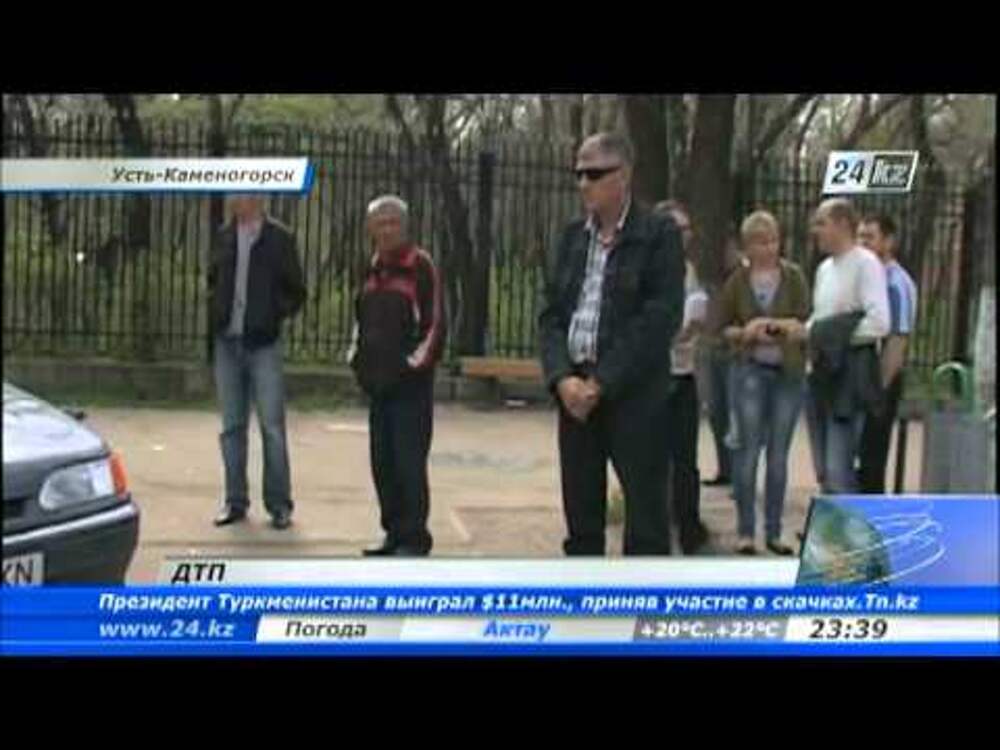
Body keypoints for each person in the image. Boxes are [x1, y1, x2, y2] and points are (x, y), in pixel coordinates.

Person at [539, 132, 684, 556]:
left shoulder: (657, 234)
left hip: (633, 395)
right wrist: (562, 378)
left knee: (646, 519)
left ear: (624, 175)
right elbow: (551, 315)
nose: (584, 183)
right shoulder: (572, 237)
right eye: (579, 174)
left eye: (595, 173)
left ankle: (641, 595)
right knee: (581, 520)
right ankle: (586, 594)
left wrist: (601, 382)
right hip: (575, 395)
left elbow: (658, 319)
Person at [349, 195, 445, 557]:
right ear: (370, 229)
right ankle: (392, 532)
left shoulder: (421, 266)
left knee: (409, 463)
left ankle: (415, 538)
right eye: (380, 223)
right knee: (383, 463)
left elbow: (435, 325)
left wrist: (410, 367)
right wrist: (357, 361)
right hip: (377, 386)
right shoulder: (371, 268)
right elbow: (359, 321)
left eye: (393, 222)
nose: (387, 229)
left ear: (405, 227)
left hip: (410, 388)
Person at [208, 194, 305, 529]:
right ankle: (235, 501)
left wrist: (272, 313)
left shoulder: (279, 239)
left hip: (263, 344)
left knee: (272, 427)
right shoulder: (223, 237)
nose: (237, 200)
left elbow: (296, 290)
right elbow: (212, 279)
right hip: (227, 342)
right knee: (232, 427)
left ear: (259, 198)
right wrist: (217, 311)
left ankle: (279, 504)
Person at [716, 211, 810, 555]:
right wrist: (747, 331)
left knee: (779, 455)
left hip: (787, 373)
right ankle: (745, 531)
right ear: (748, 247)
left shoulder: (794, 277)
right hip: (750, 370)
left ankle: (774, 531)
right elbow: (722, 328)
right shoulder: (737, 282)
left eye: (772, 241)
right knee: (748, 451)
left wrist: (786, 327)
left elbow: (807, 321)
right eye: (759, 242)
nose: (768, 248)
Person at [803, 198, 890, 495]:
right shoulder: (824, 270)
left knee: (839, 470)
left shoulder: (866, 264)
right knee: (824, 472)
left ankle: (851, 524)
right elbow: (821, 317)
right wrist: (805, 332)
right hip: (821, 374)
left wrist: (831, 334)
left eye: (822, 223)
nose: (816, 231)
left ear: (842, 225)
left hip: (849, 378)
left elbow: (879, 322)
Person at [654, 200, 710, 554]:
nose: (684, 236)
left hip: (684, 372)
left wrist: (694, 326)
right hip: (656, 376)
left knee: (686, 458)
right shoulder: (649, 270)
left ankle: (689, 525)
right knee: (654, 457)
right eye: (677, 229)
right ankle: (656, 525)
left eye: (687, 230)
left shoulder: (688, 269)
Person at [857, 213, 918, 494]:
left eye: (870, 237)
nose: (863, 243)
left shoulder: (895, 283)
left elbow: (897, 340)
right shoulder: (868, 278)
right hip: (861, 376)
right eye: (860, 237)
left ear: (889, 241)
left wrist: (879, 388)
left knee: (872, 457)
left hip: (881, 379)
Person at [701, 232, 745, 487]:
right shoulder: (714, 278)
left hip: (735, 352)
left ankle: (739, 473)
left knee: (734, 414)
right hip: (715, 349)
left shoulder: (743, 277)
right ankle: (725, 468)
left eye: (731, 248)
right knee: (717, 412)